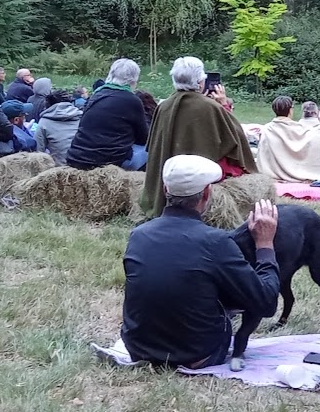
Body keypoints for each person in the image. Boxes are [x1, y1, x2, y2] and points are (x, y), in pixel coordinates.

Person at [97, 156, 280, 369]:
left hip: (139, 347)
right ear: (206, 193)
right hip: (196, 354)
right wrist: (265, 244)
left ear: (166, 189)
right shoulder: (216, 242)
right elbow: (266, 304)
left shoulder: (138, 235)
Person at [140, 56, 256, 215]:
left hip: (169, 173)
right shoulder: (211, 107)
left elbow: (153, 148)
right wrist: (224, 105)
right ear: (200, 82)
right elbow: (235, 138)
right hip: (203, 173)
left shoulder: (163, 107)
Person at [67, 59, 150, 172]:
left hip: (77, 157)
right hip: (109, 162)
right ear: (134, 79)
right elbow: (144, 138)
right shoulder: (132, 100)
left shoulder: (95, 96)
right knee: (150, 151)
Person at [256, 95, 320, 183]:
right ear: (290, 110)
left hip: (271, 173)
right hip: (300, 172)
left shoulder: (266, 129)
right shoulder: (300, 128)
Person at [34, 89, 83, 166]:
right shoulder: (82, 118)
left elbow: (38, 153)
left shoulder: (44, 122)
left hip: (59, 170)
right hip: (83, 167)